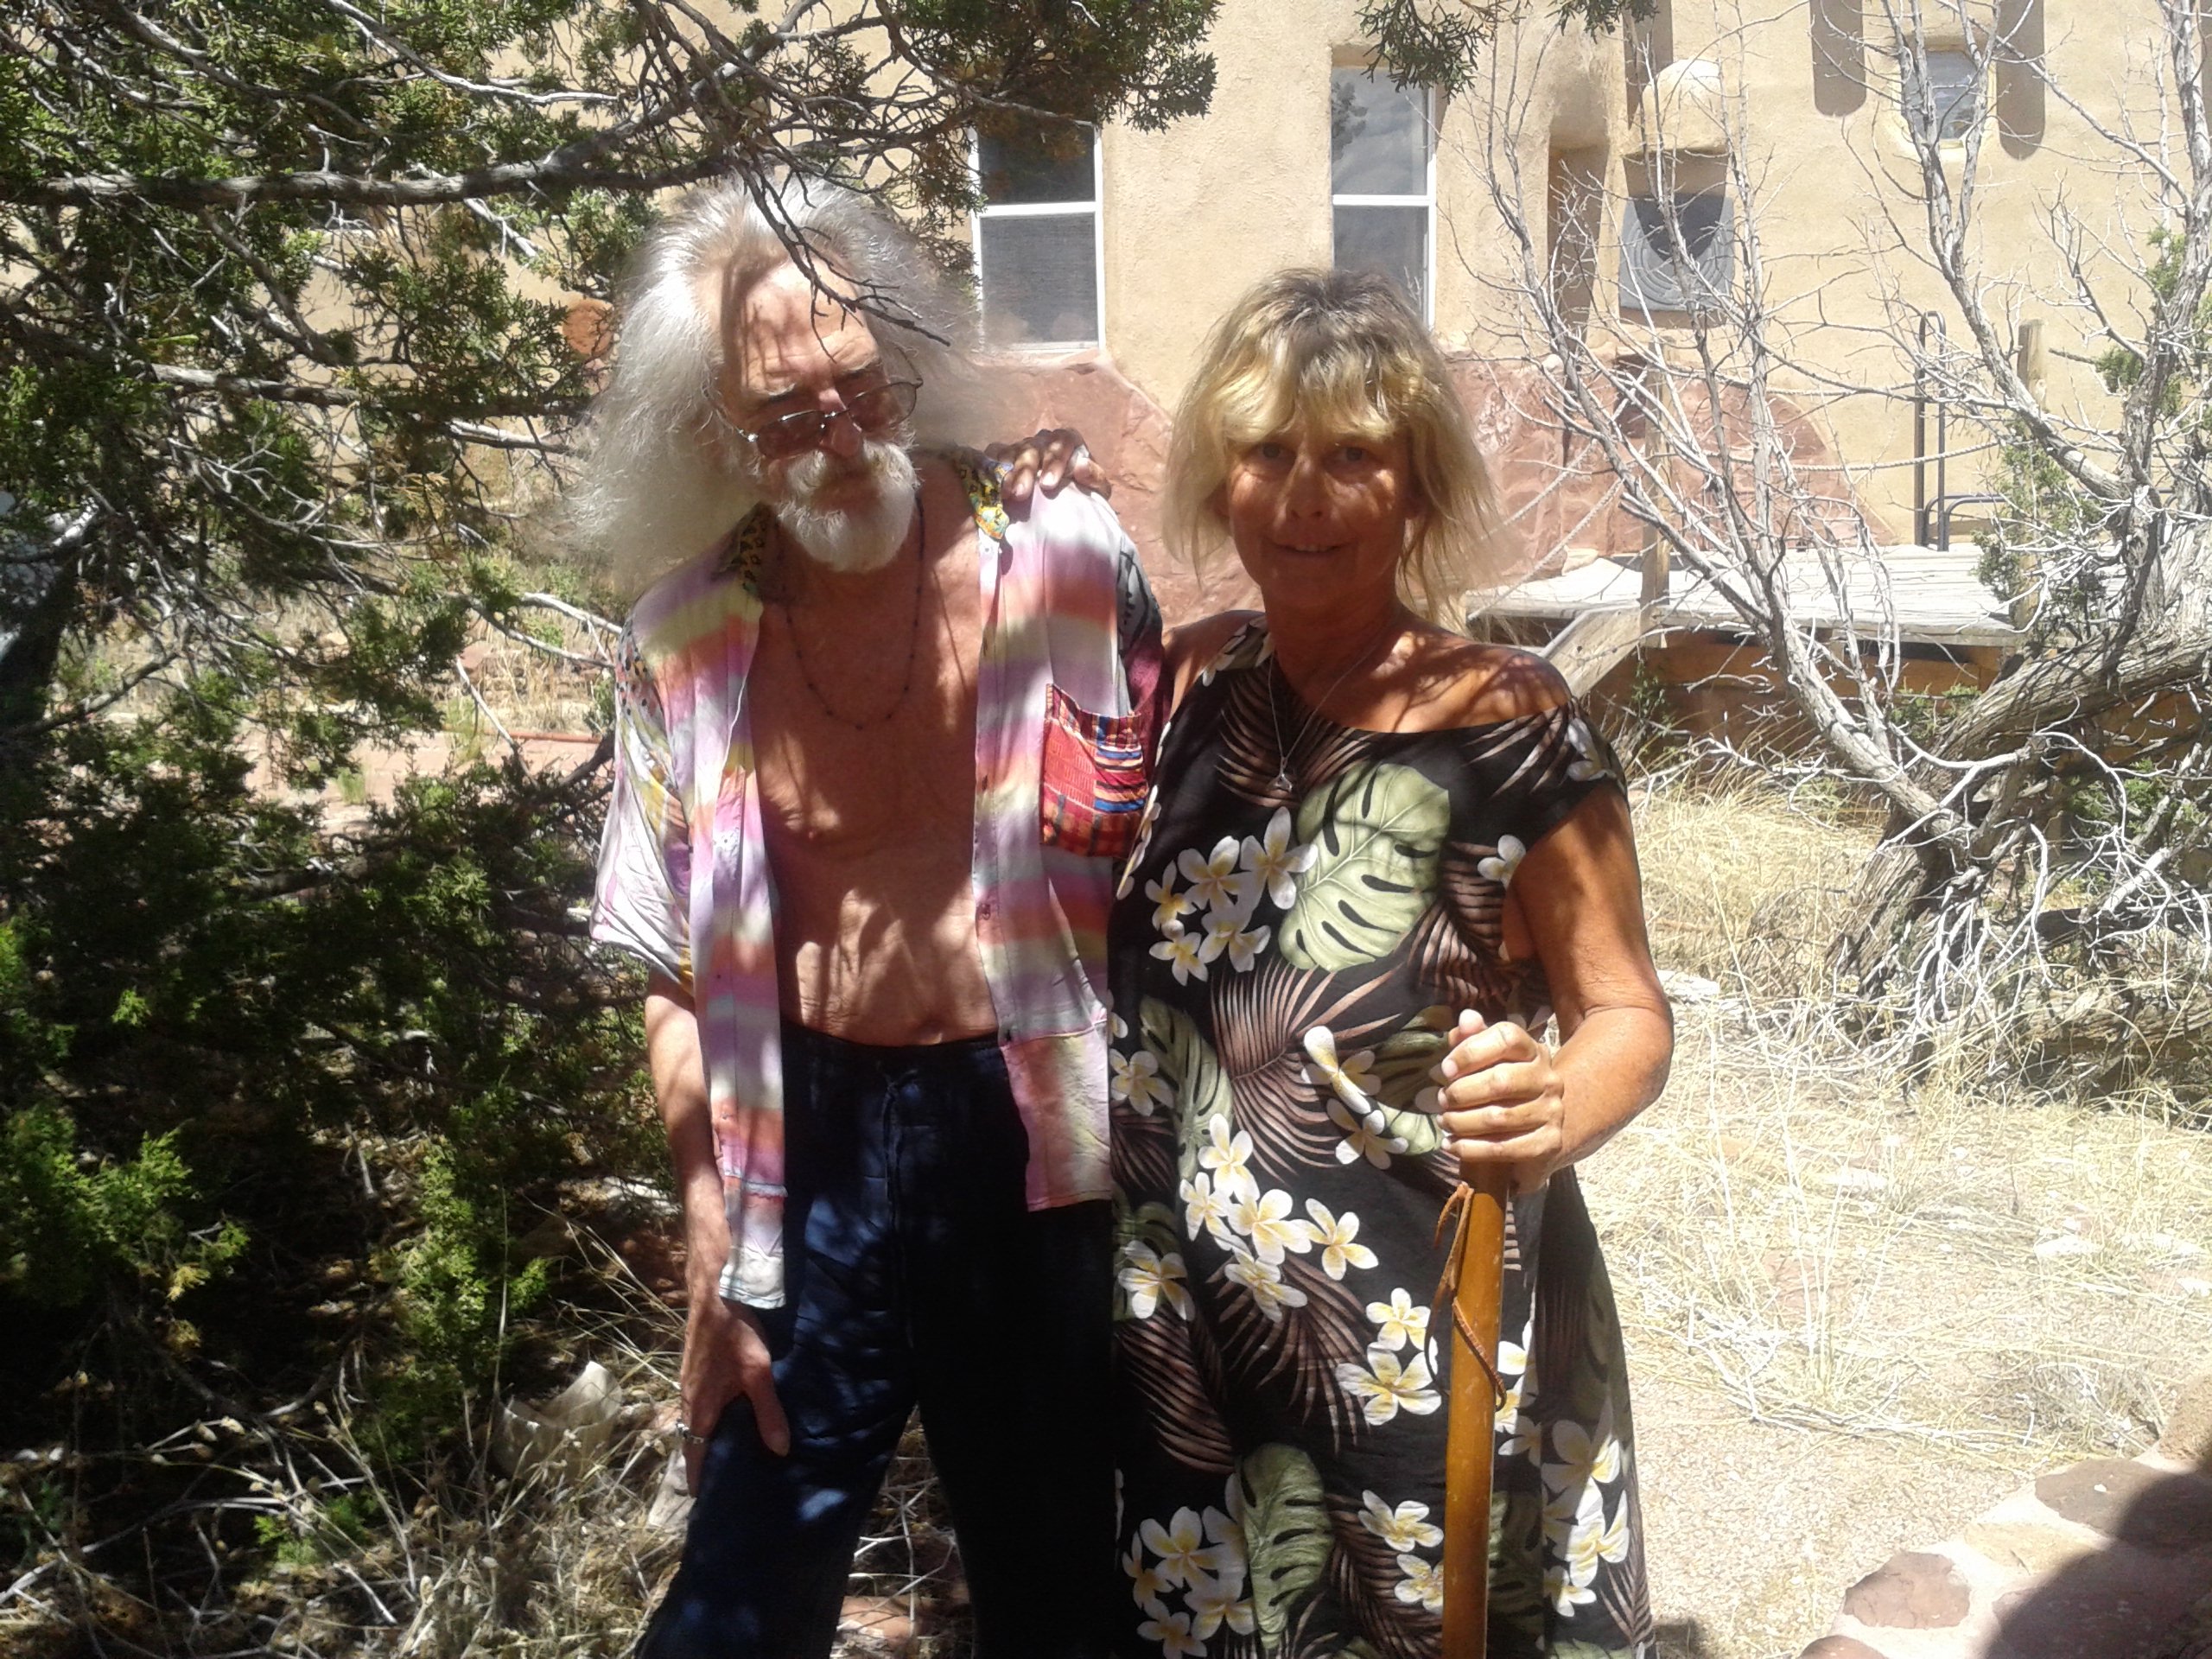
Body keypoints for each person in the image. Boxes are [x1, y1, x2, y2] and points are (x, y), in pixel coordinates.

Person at [579, 174, 1159, 1658]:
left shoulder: (1071, 565)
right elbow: (662, 966)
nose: (842, 437)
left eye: (863, 385)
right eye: (785, 414)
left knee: (1056, 1596)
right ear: (717, 433)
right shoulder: (682, 642)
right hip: (803, 1149)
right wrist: (708, 1221)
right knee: (735, 1604)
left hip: (1031, 1144)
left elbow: (1193, 858)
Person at [1105, 270, 1674, 1659]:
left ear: (1414, 487)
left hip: (1420, 1337)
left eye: (1352, 456)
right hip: (1186, 1330)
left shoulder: (1508, 721)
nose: (1305, 495)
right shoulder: (1192, 694)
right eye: (1268, 454)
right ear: (1220, 478)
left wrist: (1555, 1107)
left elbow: (1627, 1017)